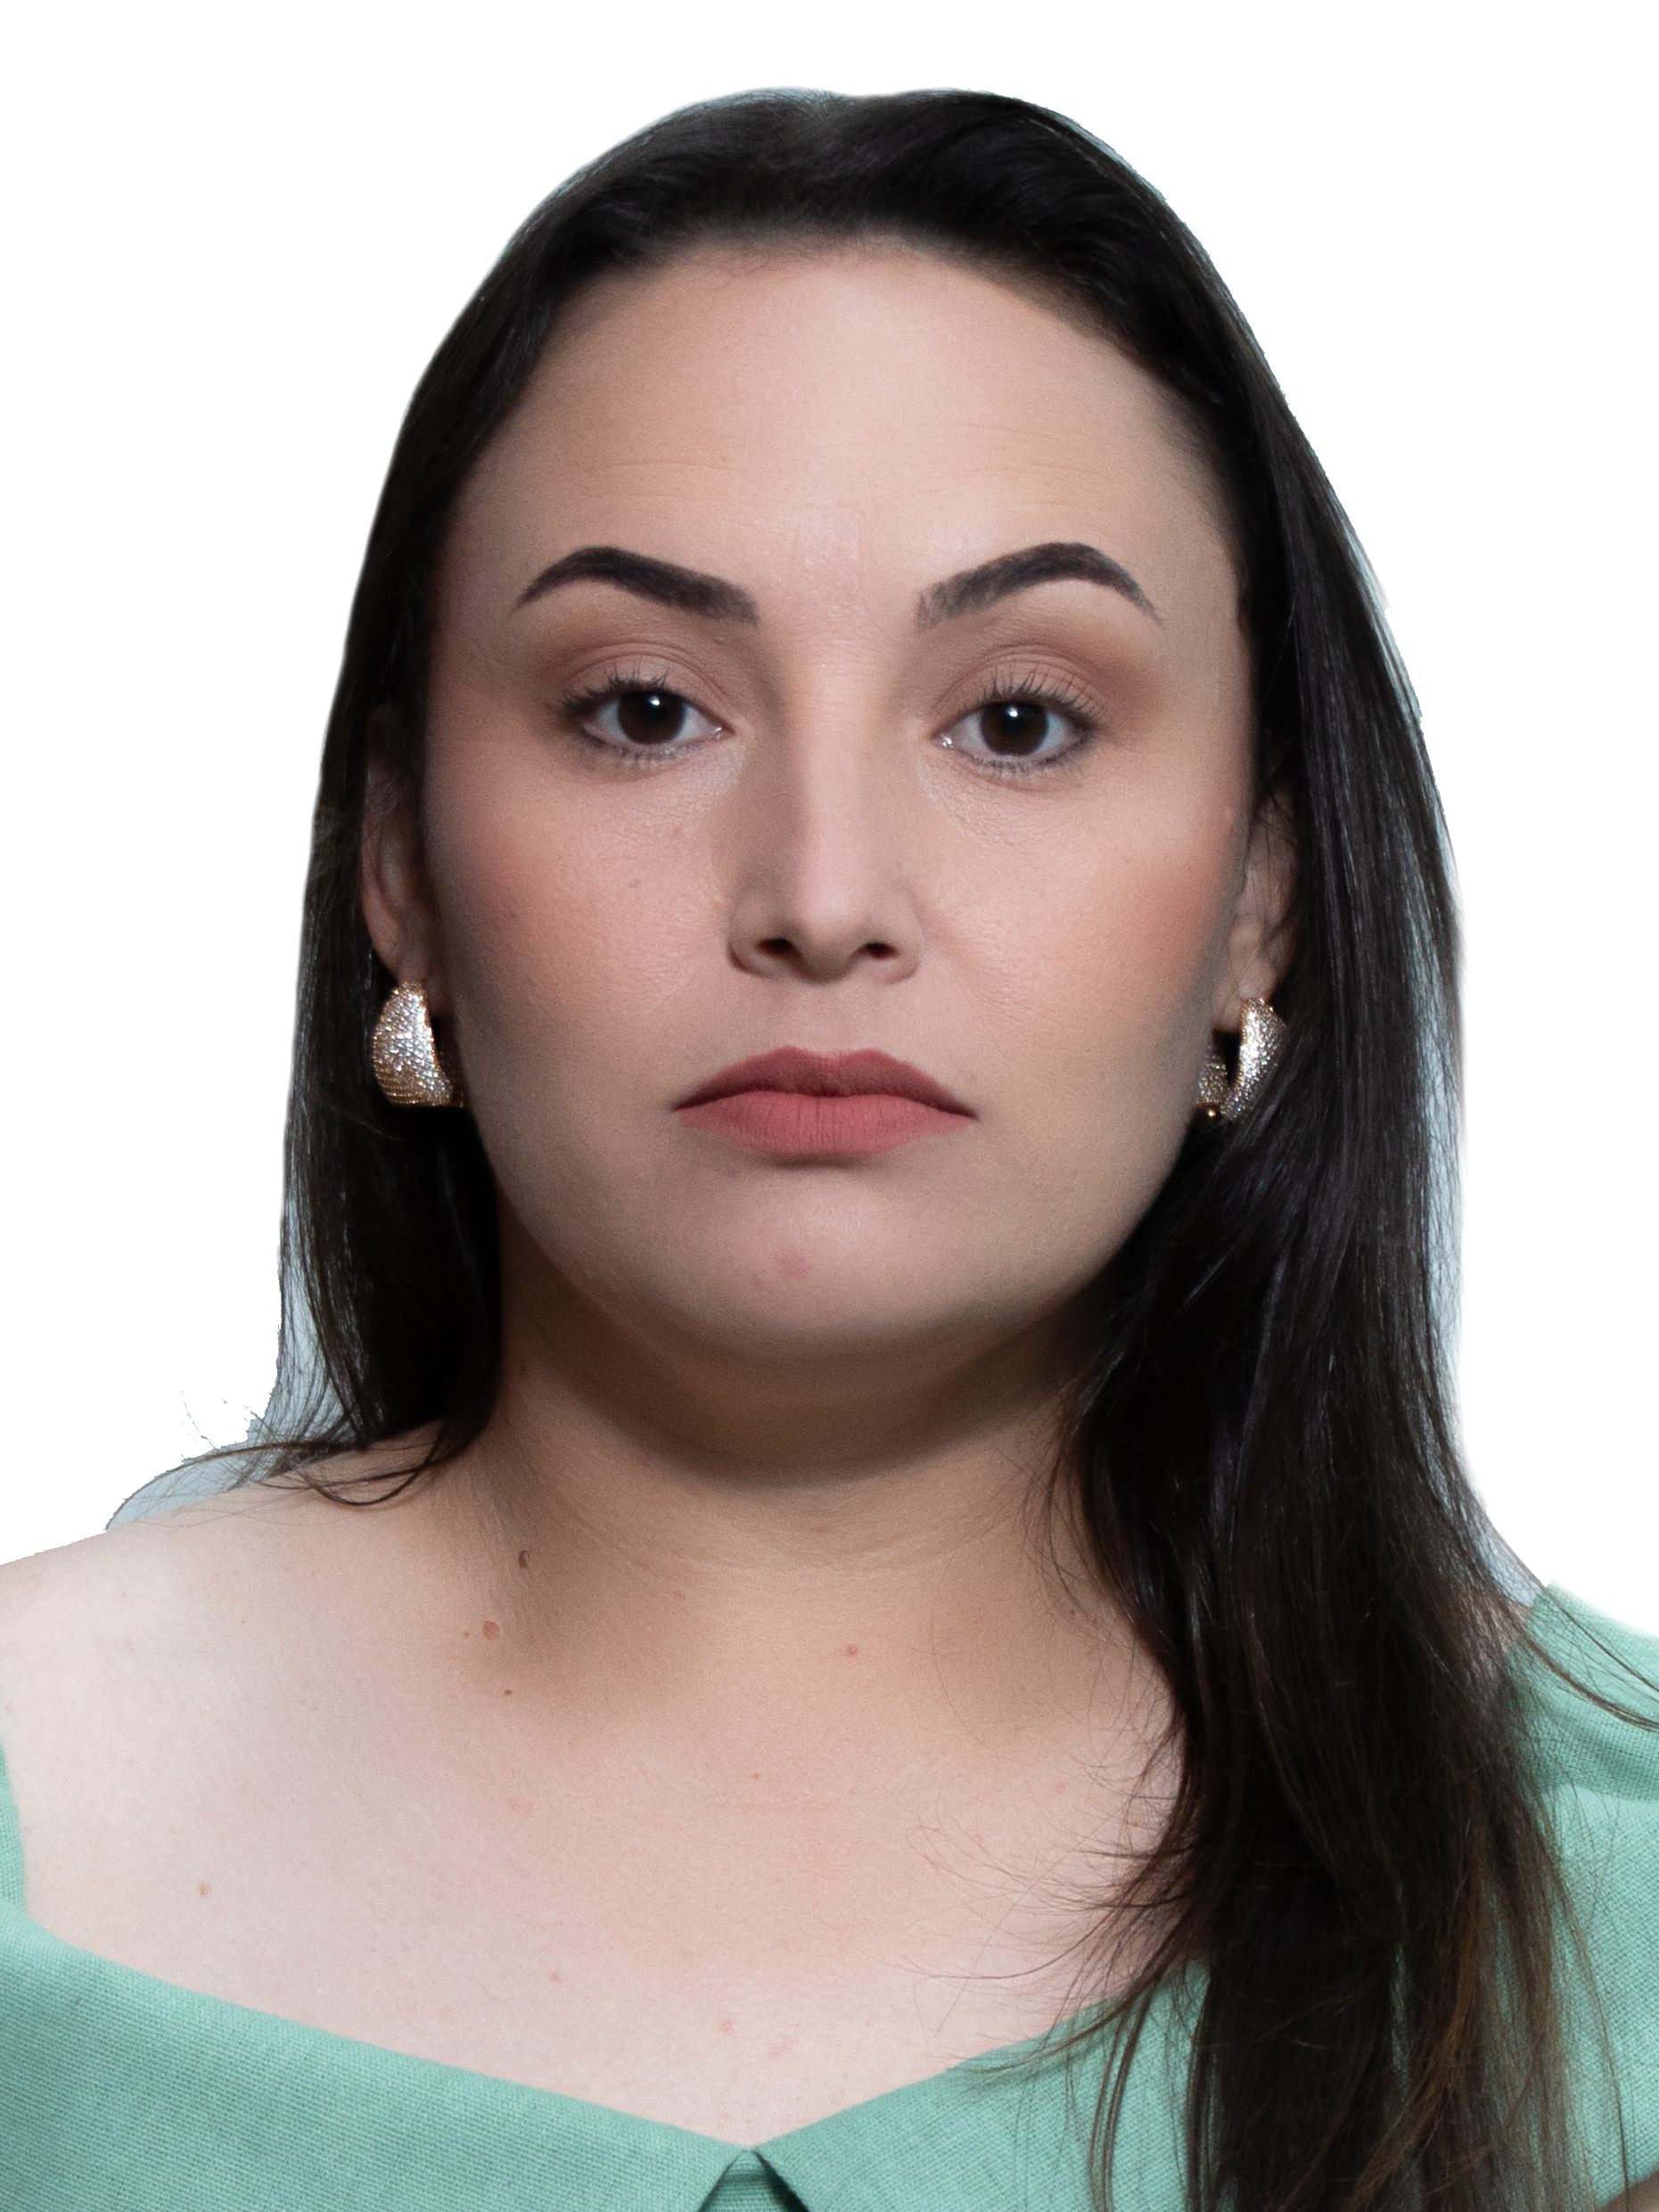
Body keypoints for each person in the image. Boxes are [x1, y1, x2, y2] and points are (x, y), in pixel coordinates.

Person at [0, 88, 1653, 2212]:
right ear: (400, 862)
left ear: (1264, 896)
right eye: (642, 707)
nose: (822, 891)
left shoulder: (1617, 1936)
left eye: (1018, 720)